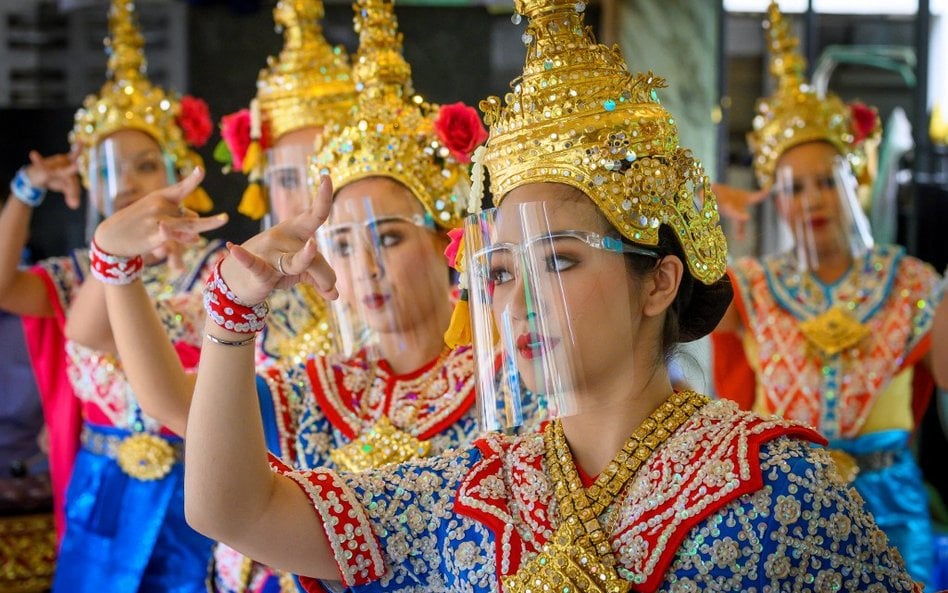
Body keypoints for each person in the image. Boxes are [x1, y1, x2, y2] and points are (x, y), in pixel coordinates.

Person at [106, 0, 919, 590]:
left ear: (659, 279)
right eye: (496, 272)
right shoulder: (472, 486)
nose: (517, 301)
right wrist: (232, 315)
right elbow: (233, 511)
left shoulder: (775, 485)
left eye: (558, 261)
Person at [95, 0, 491, 589]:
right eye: (346, 245)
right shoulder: (321, 383)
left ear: (446, 241)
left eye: (389, 238)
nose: (367, 267)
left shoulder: (503, 377)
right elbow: (175, 403)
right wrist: (115, 263)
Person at [711, 2, 947, 587]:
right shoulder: (752, 286)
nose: (812, 200)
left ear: (854, 183)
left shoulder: (915, 283)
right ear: (774, 198)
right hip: (779, 505)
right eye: (795, 188)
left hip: (889, 503)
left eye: (826, 182)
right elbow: (673, 327)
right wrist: (698, 207)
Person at [0, 0, 226, 590]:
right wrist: (26, 191)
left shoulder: (223, 268)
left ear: (179, 170)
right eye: (108, 172)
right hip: (101, 482)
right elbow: (7, 290)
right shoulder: (80, 274)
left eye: (146, 166)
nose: (126, 184)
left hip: (196, 485)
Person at [215, 0, 357, 373]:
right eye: (287, 179)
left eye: (321, 174)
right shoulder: (244, 285)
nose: (304, 199)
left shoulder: (387, 274)